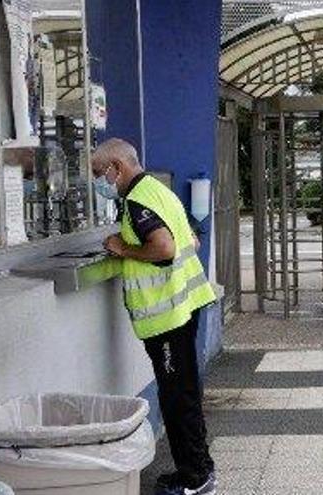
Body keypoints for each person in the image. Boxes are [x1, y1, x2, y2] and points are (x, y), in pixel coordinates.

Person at [91, 138, 217, 495]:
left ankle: (196, 478)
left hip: (168, 318)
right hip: (184, 306)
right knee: (184, 393)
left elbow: (164, 247)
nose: (101, 181)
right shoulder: (159, 191)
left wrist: (123, 247)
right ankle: (198, 468)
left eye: (101, 173)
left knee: (177, 398)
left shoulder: (136, 200)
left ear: (117, 167)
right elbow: (191, 239)